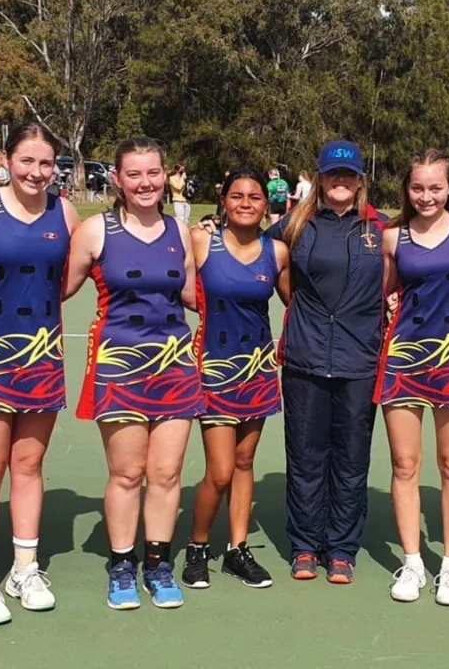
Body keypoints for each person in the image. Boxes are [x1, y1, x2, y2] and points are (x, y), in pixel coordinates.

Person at [65, 137, 204, 611]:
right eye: (135, 175)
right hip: (119, 364)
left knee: (165, 474)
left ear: (165, 175)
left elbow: (191, 294)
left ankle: (158, 563)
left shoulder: (179, 231)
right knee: (127, 473)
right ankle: (122, 565)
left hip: (176, 365)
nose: (145, 183)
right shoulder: (94, 231)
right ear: (118, 180)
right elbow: (55, 289)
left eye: (153, 173)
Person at [0, 124, 80, 624]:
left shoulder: (64, 211)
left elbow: (68, 281)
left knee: (28, 465)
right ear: (5, 160)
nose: (36, 172)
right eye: (26, 161)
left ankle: (24, 569)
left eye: (46, 163)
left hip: (42, 355)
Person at [265, 140, 384, 585]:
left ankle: (342, 549)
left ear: (359, 181)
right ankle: (304, 546)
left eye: (348, 175)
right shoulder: (295, 226)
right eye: (332, 174)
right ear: (320, 178)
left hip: (359, 361)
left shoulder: (379, 229)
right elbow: (251, 252)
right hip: (305, 357)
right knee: (306, 456)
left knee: (351, 460)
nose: (340, 181)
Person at [376, 150, 449, 606]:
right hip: (403, 359)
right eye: (418, 187)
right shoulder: (392, 238)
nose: (426, 196)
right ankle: (412, 562)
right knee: (405, 466)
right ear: (407, 190)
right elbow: (385, 291)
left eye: (435, 188)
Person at [182, 168, 290, 591]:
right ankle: (197, 547)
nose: (246, 203)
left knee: (245, 463)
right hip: (214, 367)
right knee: (221, 471)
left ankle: (237, 551)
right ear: (223, 201)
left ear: (267, 204)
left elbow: (296, 302)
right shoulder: (200, 241)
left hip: (258, 369)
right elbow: (176, 288)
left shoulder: (277, 251)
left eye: (255, 197)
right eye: (237, 196)